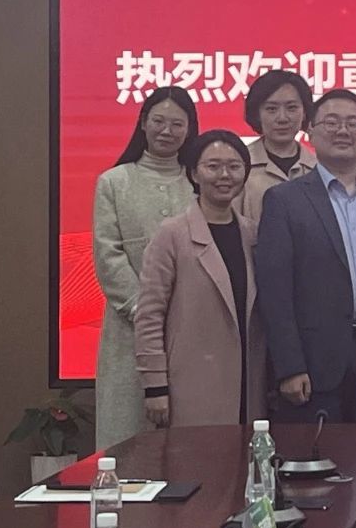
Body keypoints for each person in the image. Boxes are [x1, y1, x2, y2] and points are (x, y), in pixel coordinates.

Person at [254, 88, 356, 423]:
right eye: (332, 122)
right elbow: (275, 292)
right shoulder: (284, 200)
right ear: (311, 131)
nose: (343, 131)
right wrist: (289, 366)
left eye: (353, 123)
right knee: (318, 453)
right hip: (314, 363)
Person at [135, 130, 267, 428]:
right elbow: (149, 315)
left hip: (249, 383)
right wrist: (155, 385)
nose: (225, 175)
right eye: (213, 166)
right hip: (190, 382)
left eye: (234, 166)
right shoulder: (172, 234)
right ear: (194, 173)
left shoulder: (254, 234)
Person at [92, 87, 198, 449]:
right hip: (129, 330)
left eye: (177, 124)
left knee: (189, 445)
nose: (167, 131)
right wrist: (147, 312)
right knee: (127, 441)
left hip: (192, 331)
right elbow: (109, 255)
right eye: (159, 121)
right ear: (143, 123)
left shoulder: (200, 182)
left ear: (189, 129)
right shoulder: (114, 182)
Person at [237, 70, 316, 219]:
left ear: (305, 112)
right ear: (257, 114)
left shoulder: (318, 168)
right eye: (271, 109)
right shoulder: (239, 165)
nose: (282, 118)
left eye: (291, 108)